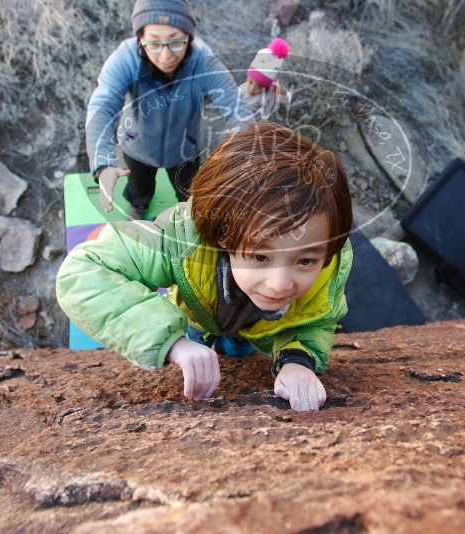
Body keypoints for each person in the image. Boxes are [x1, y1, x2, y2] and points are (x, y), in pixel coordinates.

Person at [57, 122, 353, 412]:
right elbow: (83, 271)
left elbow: (317, 319)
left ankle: (237, 343)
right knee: (205, 345)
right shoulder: (179, 241)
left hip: (267, 330)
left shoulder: (330, 262)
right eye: (260, 257)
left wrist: (297, 361)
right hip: (199, 320)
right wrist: (172, 342)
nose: (280, 283)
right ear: (224, 235)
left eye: (305, 261)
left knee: (240, 351)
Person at [86, 0, 251, 220]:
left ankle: (188, 212)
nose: (165, 56)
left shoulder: (202, 61)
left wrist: (248, 154)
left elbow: (235, 105)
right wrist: (103, 165)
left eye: (176, 42)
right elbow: (102, 107)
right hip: (137, 146)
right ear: (140, 38)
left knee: (188, 192)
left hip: (185, 148)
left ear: (188, 38)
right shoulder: (126, 59)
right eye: (154, 43)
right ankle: (139, 206)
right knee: (139, 188)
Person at [238, 38, 292, 121]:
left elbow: (286, 101)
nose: (252, 89)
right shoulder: (241, 91)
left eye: (259, 87)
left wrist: (283, 93)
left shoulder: (271, 92)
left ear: (268, 85)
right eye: (251, 82)